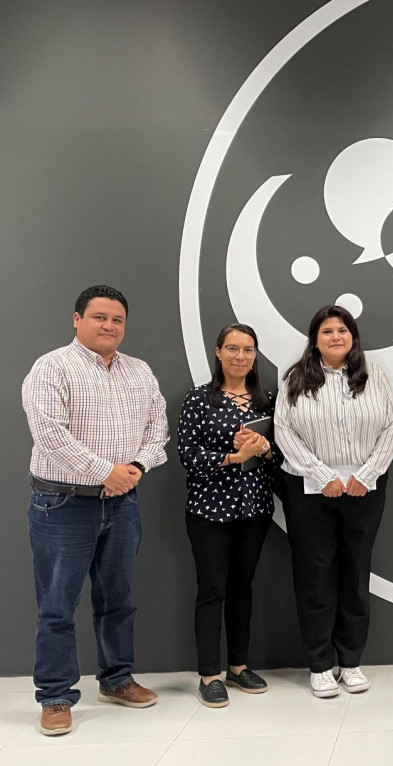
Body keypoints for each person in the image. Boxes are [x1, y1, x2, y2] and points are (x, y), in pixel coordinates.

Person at [21, 285, 169, 736]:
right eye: (100, 317)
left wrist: (137, 467)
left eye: (117, 320)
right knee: (57, 605)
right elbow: (50, 434)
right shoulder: (51, 368)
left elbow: (158, 427)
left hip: (122, 504)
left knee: (118, 598)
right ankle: (55, 696)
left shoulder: (139, 371)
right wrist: (106, 471)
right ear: (77, 319)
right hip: (62, 504)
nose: (109, 326)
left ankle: (117, 679)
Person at [275, 305, 393, 698]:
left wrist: (366, 475)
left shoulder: (374, 375)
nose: (335, 337)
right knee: (315, 578)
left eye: (342, 330)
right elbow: (284, 431)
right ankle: (319, 665)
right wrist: (321, 476)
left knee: (355, 575)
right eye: (327, 331)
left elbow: (391, 426)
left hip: (364, 491)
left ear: (353, 337)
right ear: (315, 339)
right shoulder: (296, 377)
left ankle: (350, 661)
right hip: (311, 493)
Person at [177, 323, 277, 708]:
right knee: (212, 589)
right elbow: (188, 455)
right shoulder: (199, 399)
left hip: (254, 509)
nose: (240, 356)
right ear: (218, 352)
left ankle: (238, 666)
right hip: (209, 511)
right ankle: (209, 674)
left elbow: (282, 456)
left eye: (248, 350)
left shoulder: (266, 400)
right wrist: (234, 457)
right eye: (232, 348)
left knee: (242, 587)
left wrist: (264, 447)